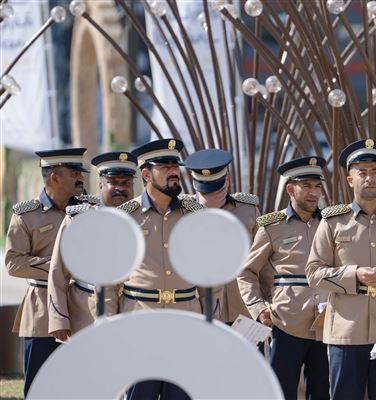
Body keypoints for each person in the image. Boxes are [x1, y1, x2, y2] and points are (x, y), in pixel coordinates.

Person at [306, 139, 376, 400]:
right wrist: (354, 275)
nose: (369, 178)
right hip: (346, 331)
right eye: (362, 172)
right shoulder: (333, 221)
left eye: (375, 172)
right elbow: (313, 272)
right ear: (350, 180)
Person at [237, 156, 330, 400]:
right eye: (307, 186)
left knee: (322, 392)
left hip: (326, 322)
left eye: (317, 186)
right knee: (280, 393)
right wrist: (258, 308)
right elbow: (246, 271)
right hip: (285, 323)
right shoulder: (271, 226)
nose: (314, 193)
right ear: (291, 189)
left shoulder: (331, 224)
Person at [117, 139, 203, 400]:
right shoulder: (125, 217)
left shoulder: (196, 214)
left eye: (175, 165)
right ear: (145, 174)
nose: (174, 171)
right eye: (165, 166)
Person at [4, 148, 89, 397]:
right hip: (40, 312)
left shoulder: (90, 210)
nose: (81, 178)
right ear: (54, 177)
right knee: (40, 388)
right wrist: (59, 266)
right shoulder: (25, 215)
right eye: (74, 173)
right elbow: (13, 263)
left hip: (81, 307)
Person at [47, 152, 137, 341]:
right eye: (114, 182)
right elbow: (57, 273)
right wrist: (58, 319)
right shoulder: (77, 220)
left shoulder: (145, 221)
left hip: (132, 311)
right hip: (86, 313)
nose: (120, 188)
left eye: (126, 183)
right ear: (100, 184)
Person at [185, 148, 266, 323]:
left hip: (244, 309)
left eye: (217, 188)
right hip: (204, 310)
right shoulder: (184, 214)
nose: (212, 195)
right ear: (195, 186)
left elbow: (262, 260)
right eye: (206, 191)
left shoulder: (248, 210)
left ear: (227, 181)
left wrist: (263, 304)